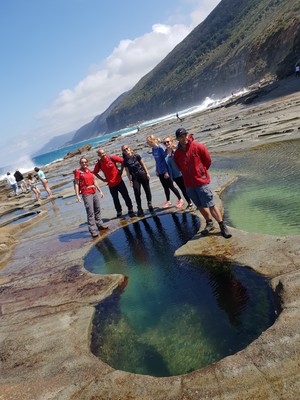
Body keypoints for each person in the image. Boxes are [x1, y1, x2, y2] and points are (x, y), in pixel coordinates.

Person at [174, 127, 232, 239]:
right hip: (189, 184)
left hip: (201, 182)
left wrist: (201, 172)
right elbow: (179, 166)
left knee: (211, 204)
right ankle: (209, 223)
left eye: (184, 135)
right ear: (177, 139)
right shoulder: (177, 153)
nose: (183, 138)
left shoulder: (198, 146)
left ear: (187, 135)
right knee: (200, 205)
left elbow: (207, 161)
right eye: (180, 136)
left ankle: (222, 225)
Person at [93, 148, 135, 218]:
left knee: (126, 196)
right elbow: (95, 172)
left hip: (119, 181)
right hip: (111, 184)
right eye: (101, 154)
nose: (103, 155)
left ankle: (130, 208)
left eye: (104, 153)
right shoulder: (99, 164)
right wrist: (103, 179)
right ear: (99, 155)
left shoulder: (112, 158)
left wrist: (121, 171)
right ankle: (119, 211)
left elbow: (123, 161)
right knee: (115, 199)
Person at [74, 156, 108, 238]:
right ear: (80, 163)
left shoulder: (89, 171)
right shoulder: (78, 172)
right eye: (82, 162)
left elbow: (94, 181)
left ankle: (99, 224)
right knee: (90, 212)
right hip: (86, 193)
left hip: (94, 191)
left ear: (87, 162)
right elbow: (76, 183)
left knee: (97, 209)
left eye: (85, 162)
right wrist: (78, 195)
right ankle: (93, 230)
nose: (84, 163)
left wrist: (100, 191)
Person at [146, 134, 183, 209]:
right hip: (160, 171)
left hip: (165, 170)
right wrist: (156, 170)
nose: (148, 144)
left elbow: (166, 159)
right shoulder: (153, 149)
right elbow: (156, 160)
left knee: (171, 186)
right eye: (147, 142)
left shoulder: (161, 148)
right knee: (165, 187)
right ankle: (168, 201)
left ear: (153, 141)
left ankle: (180, 199)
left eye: (149, 142)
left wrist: (166, 171)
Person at [163, 135, 193, 211]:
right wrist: (166, 173)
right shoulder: (165, 152)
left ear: (171, 141)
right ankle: (190, 203)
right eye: (164, 143)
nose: (166, 144)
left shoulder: (177, 149)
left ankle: (198, 202)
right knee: (183, 189)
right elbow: (166, 164)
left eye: (168, 142)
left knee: (190, 188)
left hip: (182, 172)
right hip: (174, 175)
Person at [121, 144, 153, 217]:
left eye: (127, 148)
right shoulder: (125, 161)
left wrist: (147, 173)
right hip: (135, 177)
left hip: (142, 174)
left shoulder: (137, 156)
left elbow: (143, 164)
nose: (126, 150)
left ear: (130, 148)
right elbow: (127, 172)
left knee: (147, 189)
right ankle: (139, 208)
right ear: (123, 152)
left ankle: (149, 203)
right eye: (124, 150)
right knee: (137, 192)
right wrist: (130, 180)